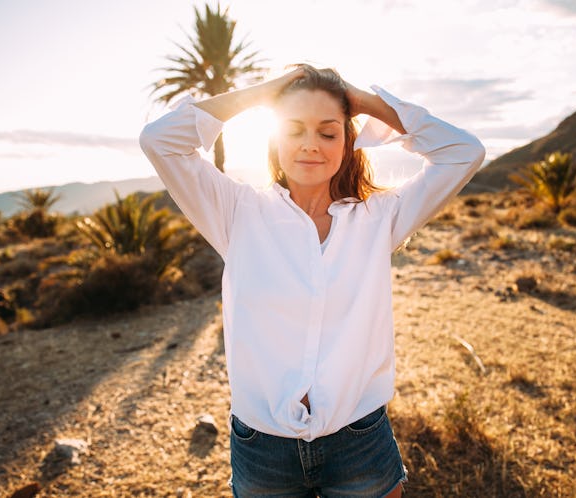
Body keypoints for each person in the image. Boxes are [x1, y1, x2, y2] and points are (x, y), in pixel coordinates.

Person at [140, 65, 485, 497]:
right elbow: (159, 140)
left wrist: (363, 101)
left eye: (328, 132)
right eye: (294, 128)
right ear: (274, 137)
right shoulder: (236, 212)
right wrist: (264, 94)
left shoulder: (380, 218)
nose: (309, 145)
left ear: (347, 142)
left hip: (360, 440)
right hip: (263, 448)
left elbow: (464, 152)